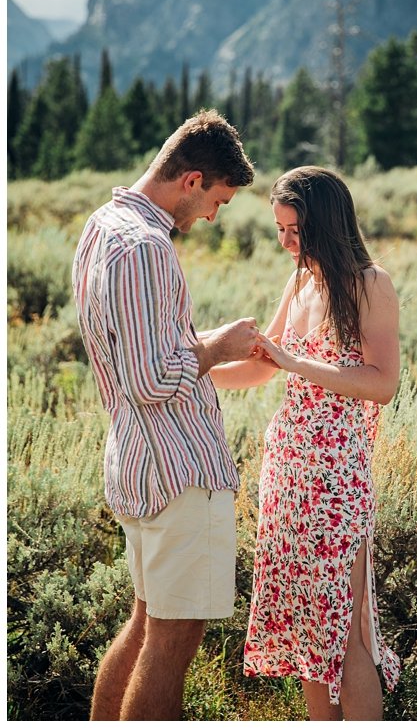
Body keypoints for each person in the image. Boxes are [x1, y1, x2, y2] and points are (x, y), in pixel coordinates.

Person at [75, 110, 261, 720]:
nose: (212, 216)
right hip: (179, 474)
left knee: (145, 626)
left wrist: (206, 341)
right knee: (171, 645)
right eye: (217, 201)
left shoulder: (104, 227)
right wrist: (220, 349)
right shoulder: (146, 247)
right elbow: (154, 378)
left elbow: (145, 347)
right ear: (192, 180)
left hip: (138, 464)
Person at [211, 165, 402, 719]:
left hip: (338, 477)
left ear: (326, 224)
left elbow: (382, 383)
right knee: (304, 628)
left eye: (295, 230)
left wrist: (299, 362)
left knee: (346, 629)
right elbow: (261, 368)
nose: (286, 243)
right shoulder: (299, 282)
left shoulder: (372, 285)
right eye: (279, 230)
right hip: (288, 473)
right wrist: (191, 370)